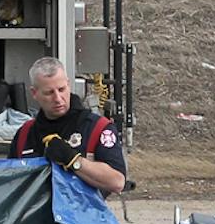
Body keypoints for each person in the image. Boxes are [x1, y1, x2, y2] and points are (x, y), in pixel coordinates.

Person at [12, 55, 128, 196]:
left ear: (68, 84)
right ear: (34, 93)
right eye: (49, 93)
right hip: (35, 216)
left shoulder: (97, 128)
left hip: (84, 215)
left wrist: (73, 160)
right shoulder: (25, 134)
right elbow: (10, 184)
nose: (57, 98)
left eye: (61, 89)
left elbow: (117, 182)